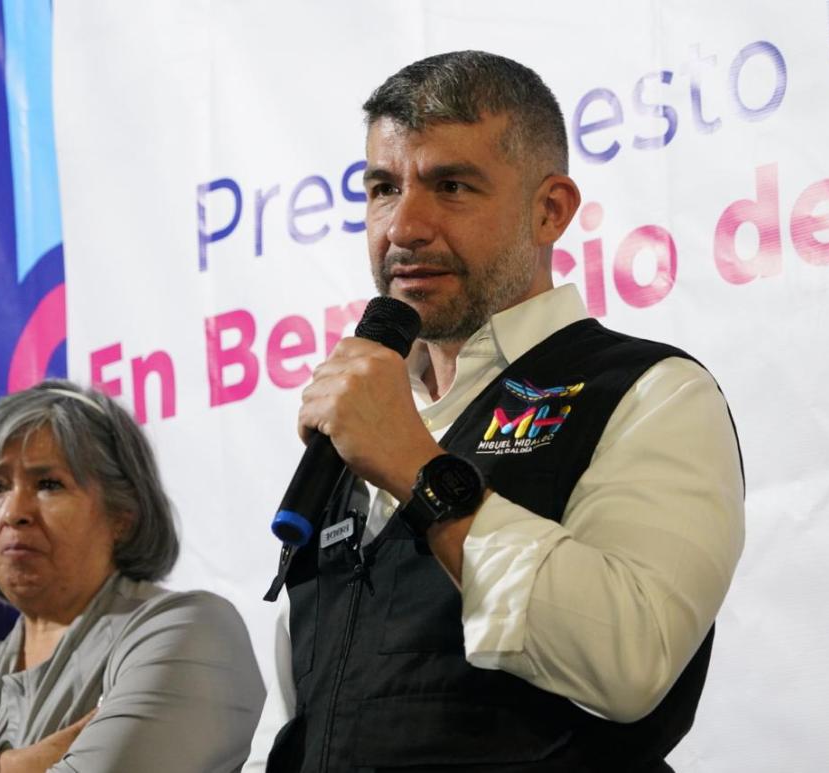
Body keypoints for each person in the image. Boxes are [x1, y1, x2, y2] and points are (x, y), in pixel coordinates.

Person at [246, 50, 744, 772]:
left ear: (550, 210)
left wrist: (417, 467)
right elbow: (304, 718)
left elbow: (631, 660)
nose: (404, 226)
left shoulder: (650, 392)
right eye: (384, 188)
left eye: (450, 186)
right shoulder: (352, 429)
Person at [0, 380, 265, 772]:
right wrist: (13, 765)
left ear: (122, 515)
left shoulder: (191, 629)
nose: (14, 512)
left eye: (49, 485)